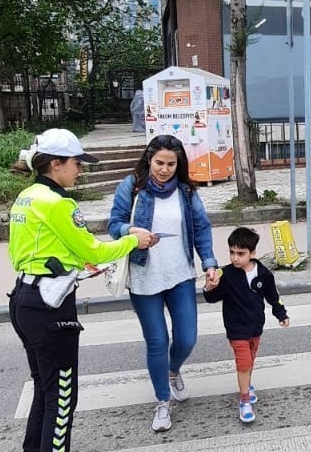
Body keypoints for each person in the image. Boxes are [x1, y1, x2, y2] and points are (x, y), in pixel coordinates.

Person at [8, 128, 157, 452]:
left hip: (25, 298)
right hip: (51, 308)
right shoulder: (57, 203)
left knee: (44, 390)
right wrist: (135, 241)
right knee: (61, 401)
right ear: (55, 164)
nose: (80, 171)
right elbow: (92, 250)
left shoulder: (26, 198)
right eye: (76, 164)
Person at [107, 134, 220, 432]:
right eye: (159, 162)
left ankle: (173, 370)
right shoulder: (131, 187)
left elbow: (201, 228)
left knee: (187, 338)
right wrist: (131, 231)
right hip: (145, 277)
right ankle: (162, 402)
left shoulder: (185, 191)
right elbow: (113, 224)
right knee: (157, 341)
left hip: (180, 274)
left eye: (171, 163)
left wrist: (209, 263)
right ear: (149, 159)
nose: (164, 169)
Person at [203, 227, 290, 424]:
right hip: (236, 329)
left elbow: (273, 296)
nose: (235, 258)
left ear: (252, 253)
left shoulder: (264, 274)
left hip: (255, 326)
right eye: (232, 252)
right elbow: (211, 297)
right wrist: (209, 287)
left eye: (240, 254)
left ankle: (247, 385)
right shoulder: (225, 274)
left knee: (250, 359)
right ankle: (244, 400)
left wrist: (280, 314)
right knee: (244, 363)